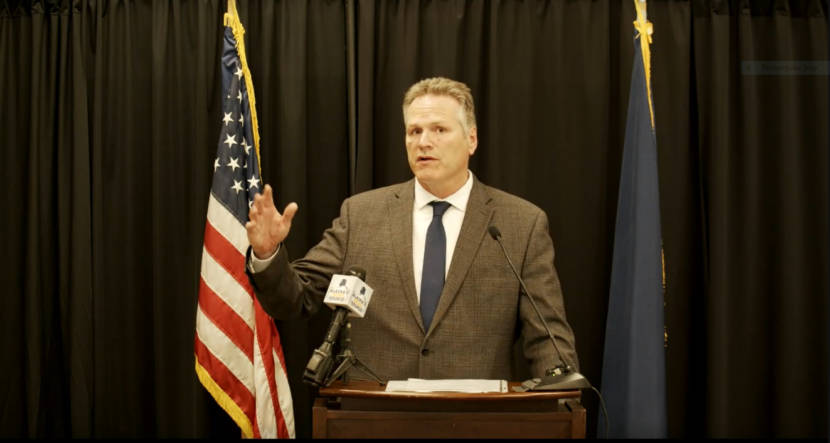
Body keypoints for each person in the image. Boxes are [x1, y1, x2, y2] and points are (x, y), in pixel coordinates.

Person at [245, 77, 578, 381]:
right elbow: (297, 298)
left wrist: (561, 398)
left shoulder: (520, 223)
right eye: (414, 131)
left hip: (476, 420)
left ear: (471, 139)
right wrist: (267, 254)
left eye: (439, 130)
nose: (424, 142)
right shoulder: (361, 214)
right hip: (375, 417)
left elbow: (548, 339)